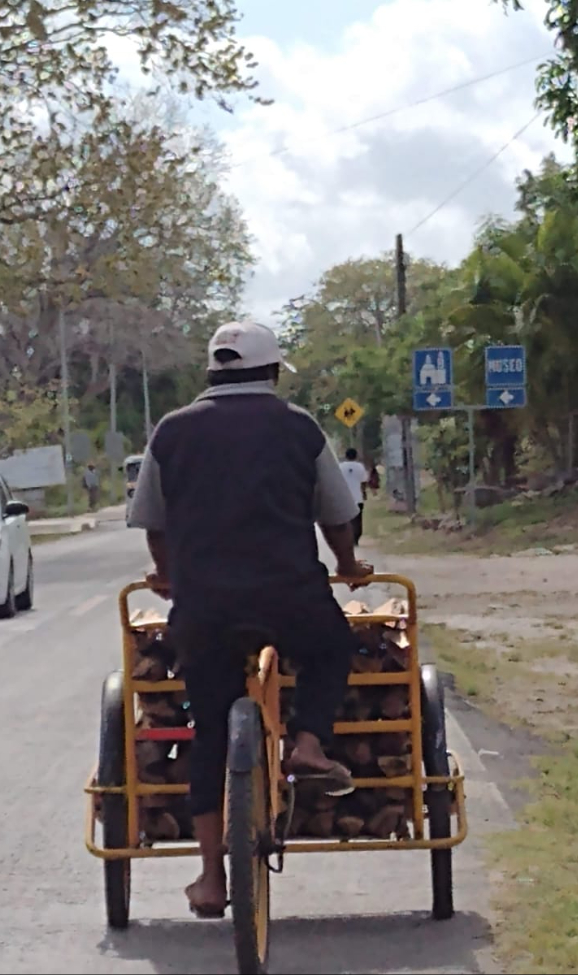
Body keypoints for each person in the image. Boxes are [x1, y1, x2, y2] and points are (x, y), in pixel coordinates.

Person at [126, 318, 373, 920]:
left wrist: (168, 575)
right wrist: (349, 562)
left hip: (205, 606)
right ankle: (309, 744)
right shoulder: (298, 428)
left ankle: (212, 878)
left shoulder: (172, 432)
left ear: (211, 372)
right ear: (271, 372)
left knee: (210, 729)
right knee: (331, 645)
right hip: (289, 594)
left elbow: (155, 524)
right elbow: (334, 516)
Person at [338, 447, 369, 544]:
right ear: (356, 456)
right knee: (357, 520)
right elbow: (364, 482)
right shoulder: (360, 467)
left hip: (344, 498)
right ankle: (356, 538)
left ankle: (347, 538)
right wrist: (364, 493)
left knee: (346, 520)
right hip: (357, 498)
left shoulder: (340, 466)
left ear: (345, 456)